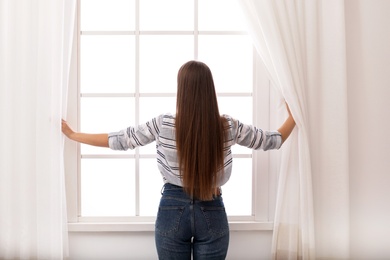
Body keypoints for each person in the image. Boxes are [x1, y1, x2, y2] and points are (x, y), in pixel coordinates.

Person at [62, 60, 295, 259]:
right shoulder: (227, 126)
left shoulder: (164, 124)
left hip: (172, 209)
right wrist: (294, 114)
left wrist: (74, 135)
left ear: (181, 90)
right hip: (211, 209)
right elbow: (272, 140)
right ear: (209, 90)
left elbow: (121, 139)